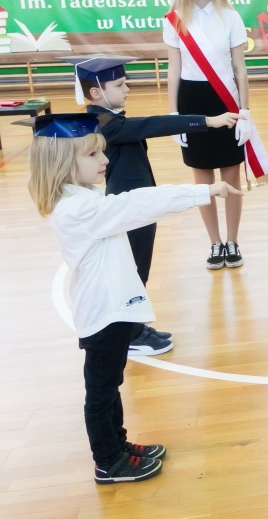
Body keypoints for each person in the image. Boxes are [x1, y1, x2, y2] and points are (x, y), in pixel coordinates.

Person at [23, 112, 240, 483]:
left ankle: (119, 446)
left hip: (113, 310)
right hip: (103, 313)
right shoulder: (80, 209)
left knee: (111, 385)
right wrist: (201, 191)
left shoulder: (82, 197)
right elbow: (138, 204)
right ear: (62, 162)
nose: (105, 161)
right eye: (93, 155)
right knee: (101, 391)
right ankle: (108, 461)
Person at [67, 55, 240, 353]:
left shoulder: (109, 118)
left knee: (137, 267)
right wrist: (206, 121)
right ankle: (130, 334)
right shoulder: (104, 123)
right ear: (96, 93)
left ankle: (132, 327)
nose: (127, 89)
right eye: (120, 84)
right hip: (130, 208)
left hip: (137, 207)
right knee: (134, 269)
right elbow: (151, 125)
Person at [164, 0, 257, 270]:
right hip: (192, 101)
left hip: (226, 100)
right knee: (202, 179)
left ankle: (233, 241)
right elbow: (173, 70)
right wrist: (173, 117)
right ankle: (215, 243)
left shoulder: (230, 17)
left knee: (231, 175)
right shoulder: (175, 18)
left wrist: (245, 112)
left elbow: (240, 68)